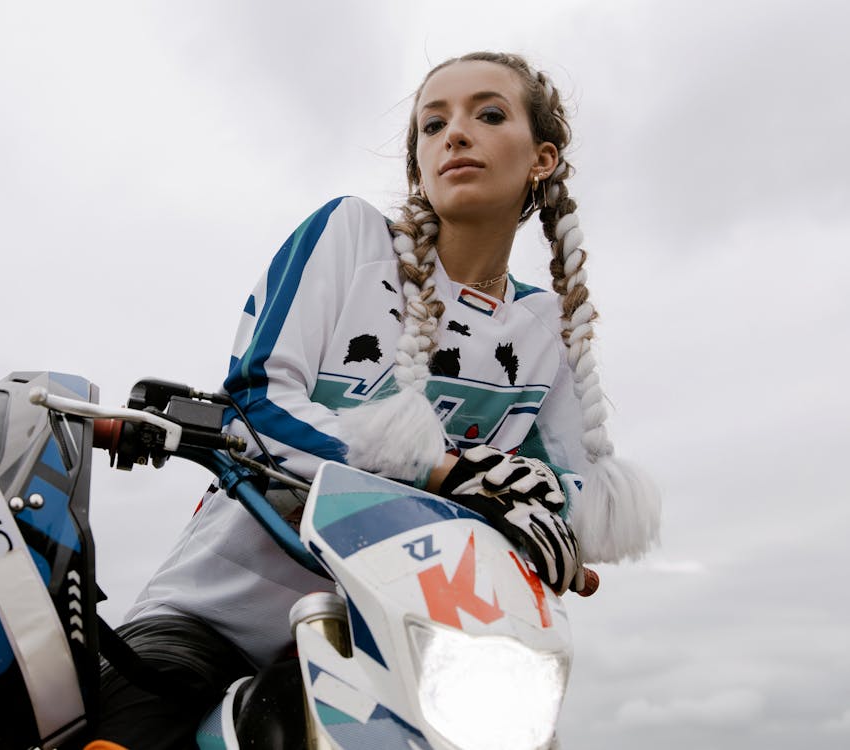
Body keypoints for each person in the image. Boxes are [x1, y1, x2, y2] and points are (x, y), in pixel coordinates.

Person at [90, 51, 660, 748]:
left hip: (408, 651)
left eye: (487, 114)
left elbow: (571, 493)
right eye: (431, 124)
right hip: (213, 617)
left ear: (541, 159)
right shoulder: (351, 238)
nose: (453, 134)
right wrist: (450, 474)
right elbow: (260, 401)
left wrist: (543, 517)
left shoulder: (547, 331)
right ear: (418, 164)